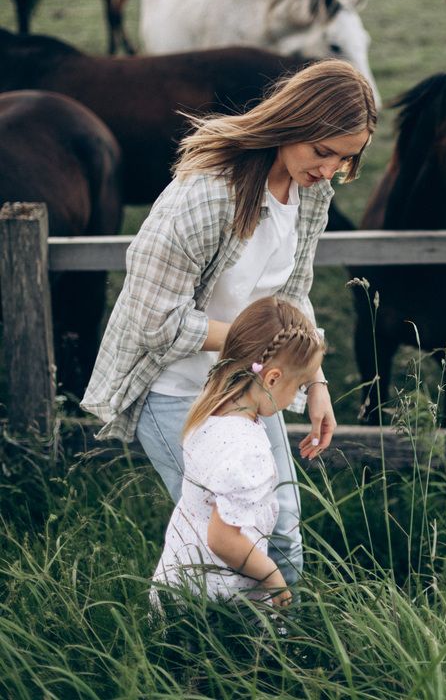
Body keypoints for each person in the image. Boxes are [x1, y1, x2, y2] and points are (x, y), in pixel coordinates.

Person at [81, 58, 377, 585]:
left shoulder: (310, 194)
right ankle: (197, 631)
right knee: (223, 540)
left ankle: (285, 633)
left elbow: (292, 296)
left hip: (252, 384)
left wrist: (315, 382)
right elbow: (156, 323)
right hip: (175, 387)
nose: (330, 169)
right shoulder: (206, 194)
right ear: (293, 122)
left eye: (346, 158)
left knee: (281, 529)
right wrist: (258, 342)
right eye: (322, 151)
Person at [150, 296, 323, 612]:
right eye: (299, 387)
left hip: (181, 583)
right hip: (219, 602)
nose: (296, 396)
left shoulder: (210, 409)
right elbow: (223, 539)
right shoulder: (246, 450)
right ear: (272, 378)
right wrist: (271, 575)